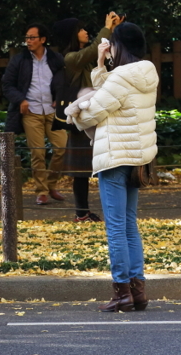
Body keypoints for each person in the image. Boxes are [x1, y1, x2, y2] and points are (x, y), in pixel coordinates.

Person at [70, 22, 158, 313]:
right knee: (130, 226)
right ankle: (137, 290)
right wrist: (99, 63)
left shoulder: (120, 77)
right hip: (137, 159)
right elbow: (107, 90)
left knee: (116, 228)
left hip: (114, 158)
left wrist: (74, 111)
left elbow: (94, 110)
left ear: (119, 46)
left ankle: (121, 293)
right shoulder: (146, 72)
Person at [51, 12, 123, 222]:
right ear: (72, 35)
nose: (85, 32)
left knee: (106, 166)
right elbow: (94, 50)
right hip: (82, 119)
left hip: (99, 113)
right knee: (81, 171)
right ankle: (82, 212)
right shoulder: (71, 58)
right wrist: (107, 29)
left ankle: (100, 210)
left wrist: (115, 29)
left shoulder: (85, 57)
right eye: (81, 29)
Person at [2, 23, 66, 206]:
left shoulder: (55, 59)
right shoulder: (19, 60)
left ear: (42, 40)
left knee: (62, 148)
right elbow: (7, 85)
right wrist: (21, 99)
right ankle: (42, 191)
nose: (28, 41)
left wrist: (59, 97)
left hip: (53, 111)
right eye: (27, 38)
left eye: (32, 37)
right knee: (38, 152)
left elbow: (65, 80)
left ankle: (51, 185)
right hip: (31, 112)